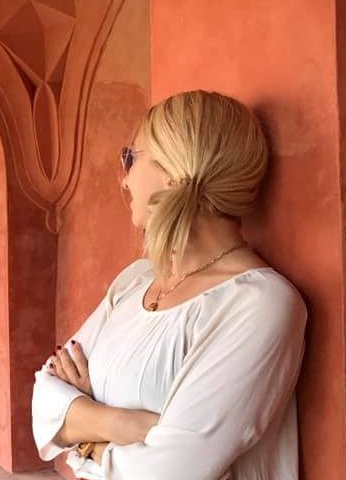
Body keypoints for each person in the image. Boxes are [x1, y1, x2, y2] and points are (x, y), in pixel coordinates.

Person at [31, 90, 307, 479]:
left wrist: (84, 429)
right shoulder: (135, 281)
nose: (123, 180)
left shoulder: (259, 306)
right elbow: (44, 396)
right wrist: (131, 426)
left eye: (129, 157)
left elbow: (167, 473)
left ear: (176, 170)